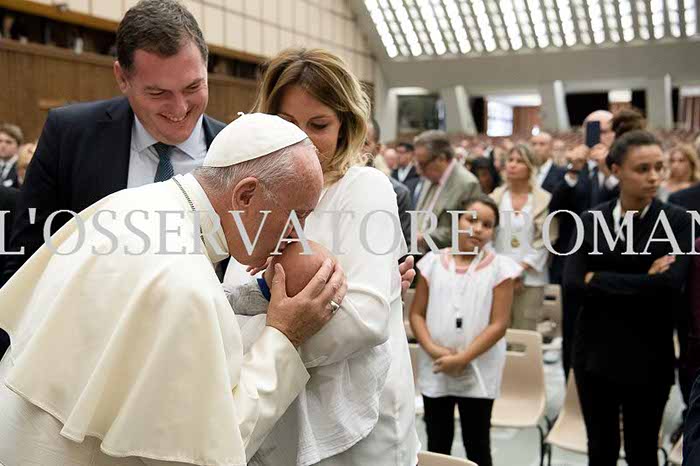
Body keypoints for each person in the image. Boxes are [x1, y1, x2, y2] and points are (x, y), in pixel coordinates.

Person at [0, 113, 347, 465]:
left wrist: (256, 296)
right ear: (245, 195)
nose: (298, 234)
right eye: (297, 216)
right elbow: (206, 453)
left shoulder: (126, 206)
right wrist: (284, 338)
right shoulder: (186, 284)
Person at [248, 47, 419, 465]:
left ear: (346, 126)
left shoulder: (365, 188)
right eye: (287, 123)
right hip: (272, 406)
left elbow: (364, 319)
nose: (301, 139)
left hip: (355, 431)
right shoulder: (260, 191)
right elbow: (239, 294)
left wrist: (270, 339)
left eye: (318, 124)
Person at [1, 0, 226, 287]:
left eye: (193, 87)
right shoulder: (69, 137)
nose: (180, 108)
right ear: (122, 78)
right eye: (158, 93)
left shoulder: (238, 151)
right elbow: (26, 266)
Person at [563, 130, 693, 465]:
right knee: (601, 450)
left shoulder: (677, 221)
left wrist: (600, 278)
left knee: (642, 451)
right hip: (594, 354)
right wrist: (644, 278)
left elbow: (670, 284)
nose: (654, 177)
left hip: (649, 356)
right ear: (616, 169)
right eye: (643, 168)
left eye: (659, 167)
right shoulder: (591, 220)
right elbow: (574, 283)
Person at [410, 197, 519, 466]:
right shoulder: (432, 263)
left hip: (478, 367)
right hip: (436, 364)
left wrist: (462, 358)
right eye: (471, 219)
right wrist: (435, 350)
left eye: (487, 224)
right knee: (437, 441)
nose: (478, 228)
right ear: (455, 220)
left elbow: (499, 324)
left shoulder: (500, 269)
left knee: (478, 442)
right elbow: (416, 314)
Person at [491, 144, 558, 331]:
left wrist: (520, 270)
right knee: (497, 331)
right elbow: (487, 239)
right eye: (510, 160)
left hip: (532, 277)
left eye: (519, 161)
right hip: (499, 275)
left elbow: (546, 239)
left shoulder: (543, 199)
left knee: (524, 331)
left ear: (530, 166)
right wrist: (506, 272)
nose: (512, 165)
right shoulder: (495, 197)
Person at [414, 130, 482, 252]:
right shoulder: (429, 176)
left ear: (441, 158)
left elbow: (464, 230)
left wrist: (423, 238)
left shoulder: (467, 183)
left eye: (423, 164)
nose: (419, 171)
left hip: (445, 257)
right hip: (419, 254)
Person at [365, 118, 413, 245]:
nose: (354, 149)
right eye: (350, 141)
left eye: (364, 143)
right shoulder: (329, 186)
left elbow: (404, 247)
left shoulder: (397, 192)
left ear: (377, 149)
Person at [0, 124, 22, 188]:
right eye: (0, 141)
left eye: (8, 142)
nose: (3, 146)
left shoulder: (21, 167)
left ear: (18, 146)